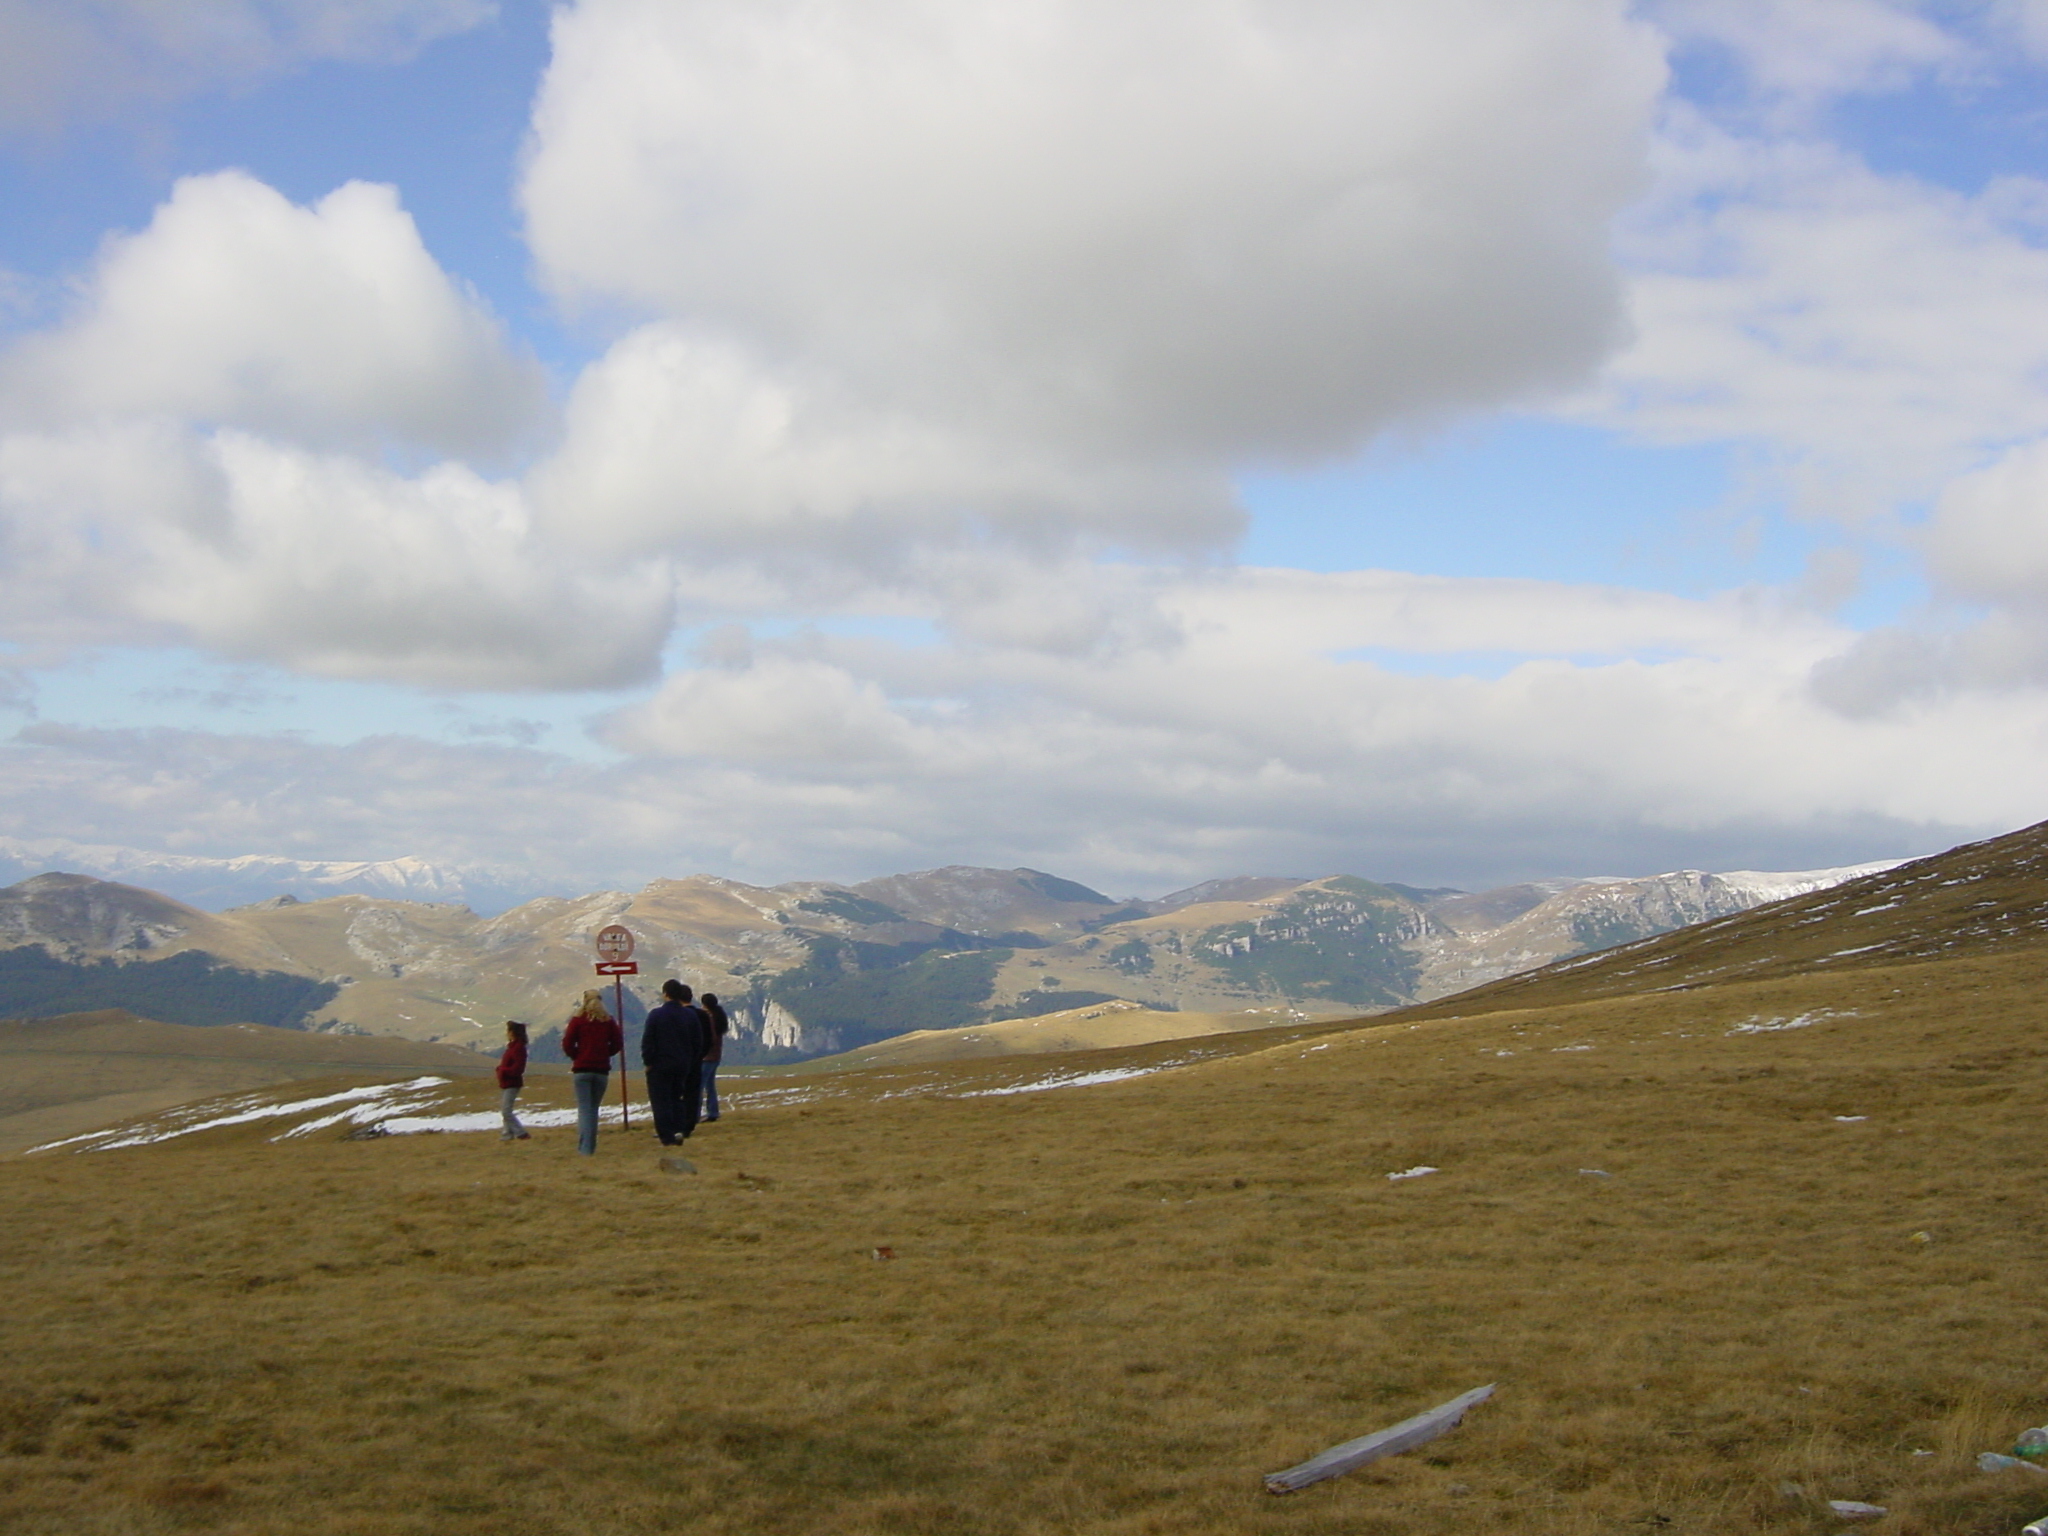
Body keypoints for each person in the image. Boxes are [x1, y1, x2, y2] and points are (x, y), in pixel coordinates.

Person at [641, 979, 709, 1147]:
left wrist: (648, 1062)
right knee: (677, 1097)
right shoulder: (690, 1015)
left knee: (661, 1100)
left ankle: (666, 1135)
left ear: (665, 994)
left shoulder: (656, 1014)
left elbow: (648, 1041)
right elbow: (697, 1042)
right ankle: (679, 1130)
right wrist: (691, 1060)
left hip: (660, 1064)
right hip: (682, 1064)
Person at [562, 990, 623, 1156]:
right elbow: (617, 1043)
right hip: (601, 1070)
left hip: (582, 1070)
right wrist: (605, 1053)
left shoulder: (577, 1021)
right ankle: (589, 1146)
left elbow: (567, 1043)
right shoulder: (608, 1021)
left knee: (584, 1109)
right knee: (593, 1109)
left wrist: (578, 1055)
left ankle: (585, 1149)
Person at [496, 1020, 531, 1141]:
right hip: (507, 1082)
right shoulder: (513, 1047)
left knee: (506, 1111)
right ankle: (507, 1135)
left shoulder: (518, 1048)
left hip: (512, 1082)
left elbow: (518, 1068)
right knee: (506, 1109)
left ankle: (521, 1133)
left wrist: (503, 1070)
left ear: (513, 1032)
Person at [698, 992, 730, 1123]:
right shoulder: (719, 1017)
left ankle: (695, 1114)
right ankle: (713, 1111)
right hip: (716, 1056)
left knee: (699, 1085)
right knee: (710, 1085)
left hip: (706, 1056)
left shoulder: (708, 1018)